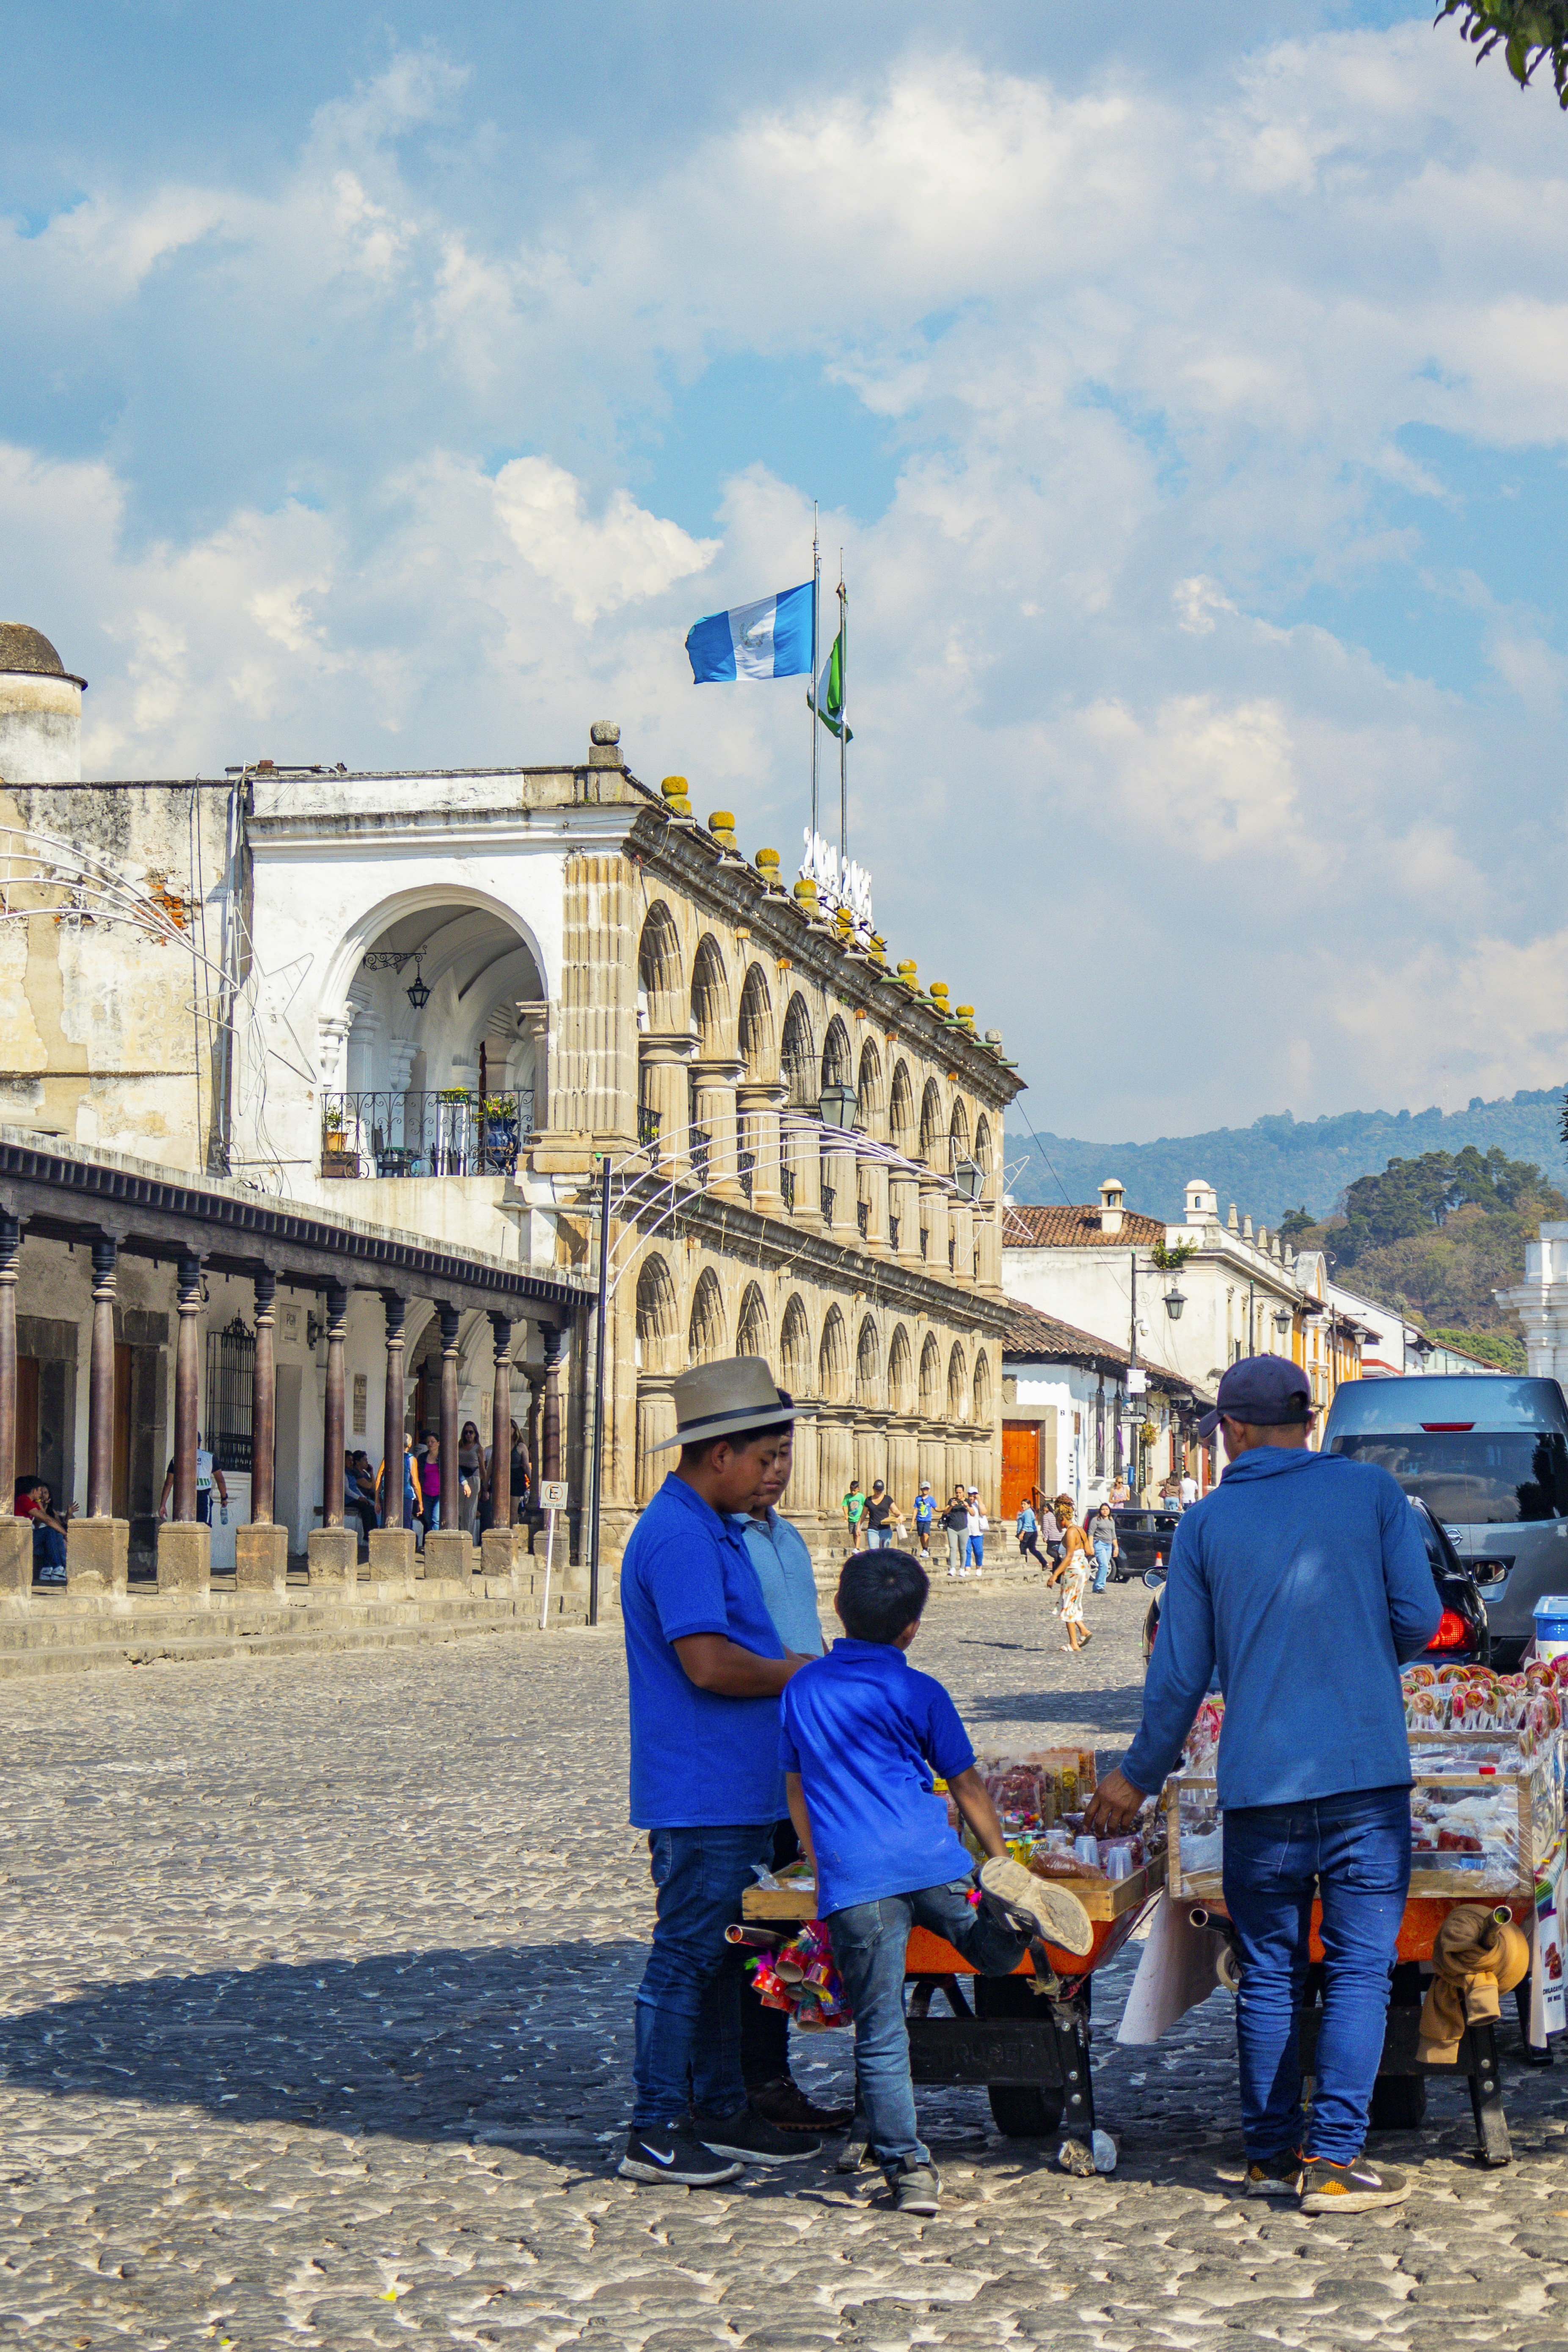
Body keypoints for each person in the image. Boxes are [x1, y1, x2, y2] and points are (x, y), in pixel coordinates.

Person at [1085, 1354, 1441, 2216]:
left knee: (1270, 1969)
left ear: (1232, 1431)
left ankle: (1268, 2154)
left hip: (1261, 1787)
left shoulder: (1206, 1523)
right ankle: (1332, 2160)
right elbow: (1421, 1620)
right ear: (1308, 1422)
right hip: (1363, 1778)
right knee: (1358, 1970)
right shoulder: (1371, 1496)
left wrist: (1136, 1776)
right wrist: (1357, 1653)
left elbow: (1178, 1674)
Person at [782, 1549, 1094, 2212]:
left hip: (857, 1884)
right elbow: (966, 1783)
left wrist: (817, 1861)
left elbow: (796, 1787)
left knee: (881, 2029)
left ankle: (909, 2171)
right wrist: (999, 1858)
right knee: (987, 1951)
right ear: (912, 1626)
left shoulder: (802, 1689)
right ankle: (1010, 1920)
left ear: (839, 1608)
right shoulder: (918, 1690)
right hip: (933, 1862)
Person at [617, 1356, 824, 2189]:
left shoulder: (716, 1526)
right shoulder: (677, 1534)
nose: (771, 1473)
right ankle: (656, 2127)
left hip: (737, 1782)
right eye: (762, 1457)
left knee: (727, 1956)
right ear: (718, 1454)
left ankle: (721, 2109)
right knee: (686, 1961)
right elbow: (705, 1663)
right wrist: (802, 1672)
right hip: (702, 1789)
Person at [726, 1407, 853, 2137]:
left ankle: (769, 2077)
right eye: (765, 1457)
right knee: (742, 1932)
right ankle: (741, 2083)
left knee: (781, 1929)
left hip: (797, 1762)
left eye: (785, 1456)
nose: (776, 1471)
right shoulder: (718, 1540)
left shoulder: (790, 1535)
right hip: (742, 1766)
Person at [14, 1477, 68, 1584]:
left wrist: (39, 1502)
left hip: (28, 1538)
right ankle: (57, 1567)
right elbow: (46, 1520)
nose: (41, 1494)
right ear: (34, 1491)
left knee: (55, 1535)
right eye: (39, 1490)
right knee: (49, 1531)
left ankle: (47, 1569)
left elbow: (43, 1516)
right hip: (18, 1539)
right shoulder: (23, 1500)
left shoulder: (32, 1502)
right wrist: (66, 1534)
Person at [159, 1443, 228, 1526]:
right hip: (203, 1499)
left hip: (184, 1500)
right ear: (199, 1443)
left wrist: (163, 1505)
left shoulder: (177, 1458)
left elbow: (168, 1484)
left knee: (184, 1529)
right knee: (203, 1529)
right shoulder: (210, 1457)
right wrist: (224, 1498)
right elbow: (221, 1481)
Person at [457, 1421, 484, 1540]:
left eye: (471, 1432)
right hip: (461, 1478)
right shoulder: (459, 1447)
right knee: (460, 1509)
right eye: (466, 1432)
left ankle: (469, 1538)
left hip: (474, 1477)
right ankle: (460, 1535)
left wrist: (485, 1486)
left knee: (470, 1510)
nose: (469, 1435)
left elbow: (482, 1468)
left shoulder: (479, 1448)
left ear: (475, 1434)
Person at [1090, 1500, 1119, 1595]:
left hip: (1109, 1545)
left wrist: (1116, 1548)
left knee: (1104, 1567)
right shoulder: (1096, 1520)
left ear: (1109, 1511)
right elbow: (1091, 1534)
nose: (1105, 1511)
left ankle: (1096, 1587)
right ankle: (1100, 1587)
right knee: (1104, 1565)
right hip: (1099, 1543)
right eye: (1103, 1509)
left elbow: (1113, 1535)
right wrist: (1091, 1546)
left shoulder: (1111, 1521)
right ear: (1100, 1511)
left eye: (1107, 1509)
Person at [941, 1487, 969, 1579]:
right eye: (957, 1493)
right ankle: (953, 1568)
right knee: (953, 1548)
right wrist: (951, 1506)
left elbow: (973, 1513)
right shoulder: (952, 1501)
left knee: (963, 1549)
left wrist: (967, 1506)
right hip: (952, 1528)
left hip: (963, 1529)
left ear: (963, 1493)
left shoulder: (968, 1501)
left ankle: (962, 1569)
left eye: (960, 1493)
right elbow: (945, 1512)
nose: (958, 1495)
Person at [1014, 1496, 1045, 1570]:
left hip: (1028, 1533)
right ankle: (1044, 1563)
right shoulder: (1027, 1512)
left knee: (1023, 1548)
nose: (1023, 1506)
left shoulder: (1028, 1512)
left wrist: (1022, 1533)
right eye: (1022, 1504)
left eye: (1025, 1504)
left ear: (1029, 1505)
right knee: (1032, 1549)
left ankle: (1024, 1565)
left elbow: (1027, 1524)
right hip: (1032, 1533)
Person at [863, 1480, 895, 1550]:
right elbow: (863, 1515)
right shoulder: (868, 1500)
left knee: (884, 1553)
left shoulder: (888, 1499)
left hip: (885, 1530)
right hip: (873, 1529)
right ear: (874, 1489)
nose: (879, 1492)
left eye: (881, 1490)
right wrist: (858, 1527)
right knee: (874, 1552)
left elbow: (896, 1511)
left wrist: (900, 1516)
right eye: (877, 1490)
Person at [421, 1432, 443, 1533]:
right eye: (428, 1442)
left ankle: (435, 1542)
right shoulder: (422, 1457)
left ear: (438, 1443)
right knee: (428, 1519)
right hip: (426, 1493)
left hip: (439, 1493)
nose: (430, 1444)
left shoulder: (443, 1457)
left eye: (433, 1442)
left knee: (436, 1519)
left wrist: (464, 1483)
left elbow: (456, 1470)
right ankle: (430, 1541)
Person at [964, 1488, 987, 1574]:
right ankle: (967, 1569)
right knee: (967, 1551)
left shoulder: (979, 1504)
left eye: (974, 1496)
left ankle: (979, 1567)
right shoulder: (966, 1504)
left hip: (977, 1532)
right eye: (970, 1496)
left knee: (979, 1551)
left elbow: (984, 1512)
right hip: (967, 1531)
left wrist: (980, 1500)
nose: (972, 1498)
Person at [912, 1481, 936, 1562]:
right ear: (921, 1489)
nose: (925, 1490)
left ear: (929, 1490)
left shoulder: (931, 1499)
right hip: (920, 1520)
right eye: (924, 1488)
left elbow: (936, 1508)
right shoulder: (918, 1499)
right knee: (922, 1536)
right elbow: (916, 1509)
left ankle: (926, 1550)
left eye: (927, 1489)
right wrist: (913, 1521)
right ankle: (924, 1549)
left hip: (927, 1520)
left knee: (926, 1534)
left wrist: (944, 1510)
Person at [842, 1479, 866, 1551]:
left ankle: (857, 1548)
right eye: (851, 1490)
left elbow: (865, 1505)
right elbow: (844, 1506)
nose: (853, 1492)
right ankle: (856, 1547)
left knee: (857, 1533)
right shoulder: (847, 1497)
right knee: (854, 1534)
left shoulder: (861, 1496)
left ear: (858, 1489)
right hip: (851, 1518)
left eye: (854, 1491)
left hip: (859, 1518)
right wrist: (846, 1515)